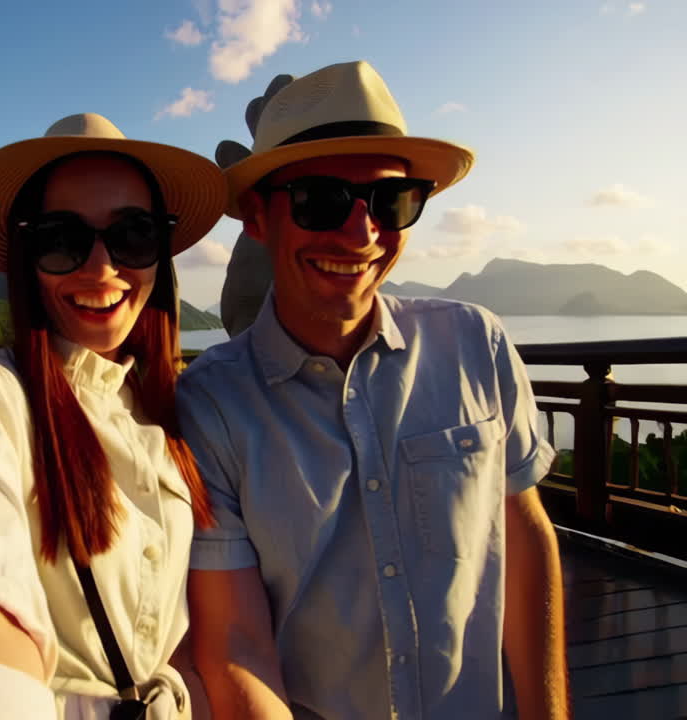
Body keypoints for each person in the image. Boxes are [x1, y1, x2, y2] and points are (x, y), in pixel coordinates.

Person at [177, 61, 569, 720]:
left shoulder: (477, 345)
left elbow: (525, 538)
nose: (361, 234)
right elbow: (235, 643)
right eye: (320, 200)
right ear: (257, 216)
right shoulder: (211, 404)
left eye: (391, 201)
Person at [0, 113, 228, 719]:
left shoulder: (170, 407)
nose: (102, 267)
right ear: (27, 257)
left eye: (133, 234)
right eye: (61, 239)